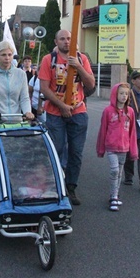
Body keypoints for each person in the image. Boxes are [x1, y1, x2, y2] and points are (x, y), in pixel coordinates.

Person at [38, 29, 95, 205]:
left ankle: (71, 188)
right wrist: (61, 105)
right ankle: (54, 186)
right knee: (56, 150)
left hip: (78, 112)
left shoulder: (82, 58)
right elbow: (44, 88)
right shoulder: (49, 60)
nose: (66, 42)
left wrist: (78, 66)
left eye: (69, 39)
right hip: (55, 113)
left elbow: (91, 84)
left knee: (75, 153)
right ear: (56, 41)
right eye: (62, 39)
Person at [96, 83, 138, 211]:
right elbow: (103, 130)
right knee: (114, 170)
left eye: (126, 94)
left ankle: (114, 195)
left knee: (119, 172)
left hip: (124, 148)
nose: (124, 96)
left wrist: (133, 150)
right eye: (121, 93)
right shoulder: (108, 111)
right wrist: (101, 148)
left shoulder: (130, 111)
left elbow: (132, 132)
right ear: (115, 94)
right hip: (111, 147)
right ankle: (113, 197)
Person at [0, 40, 35, 124]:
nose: (7, 58)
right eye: (3, 55)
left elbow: (24, 97)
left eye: (9, 54)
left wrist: (27, 112)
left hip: (17, 121)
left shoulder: (21, 74)